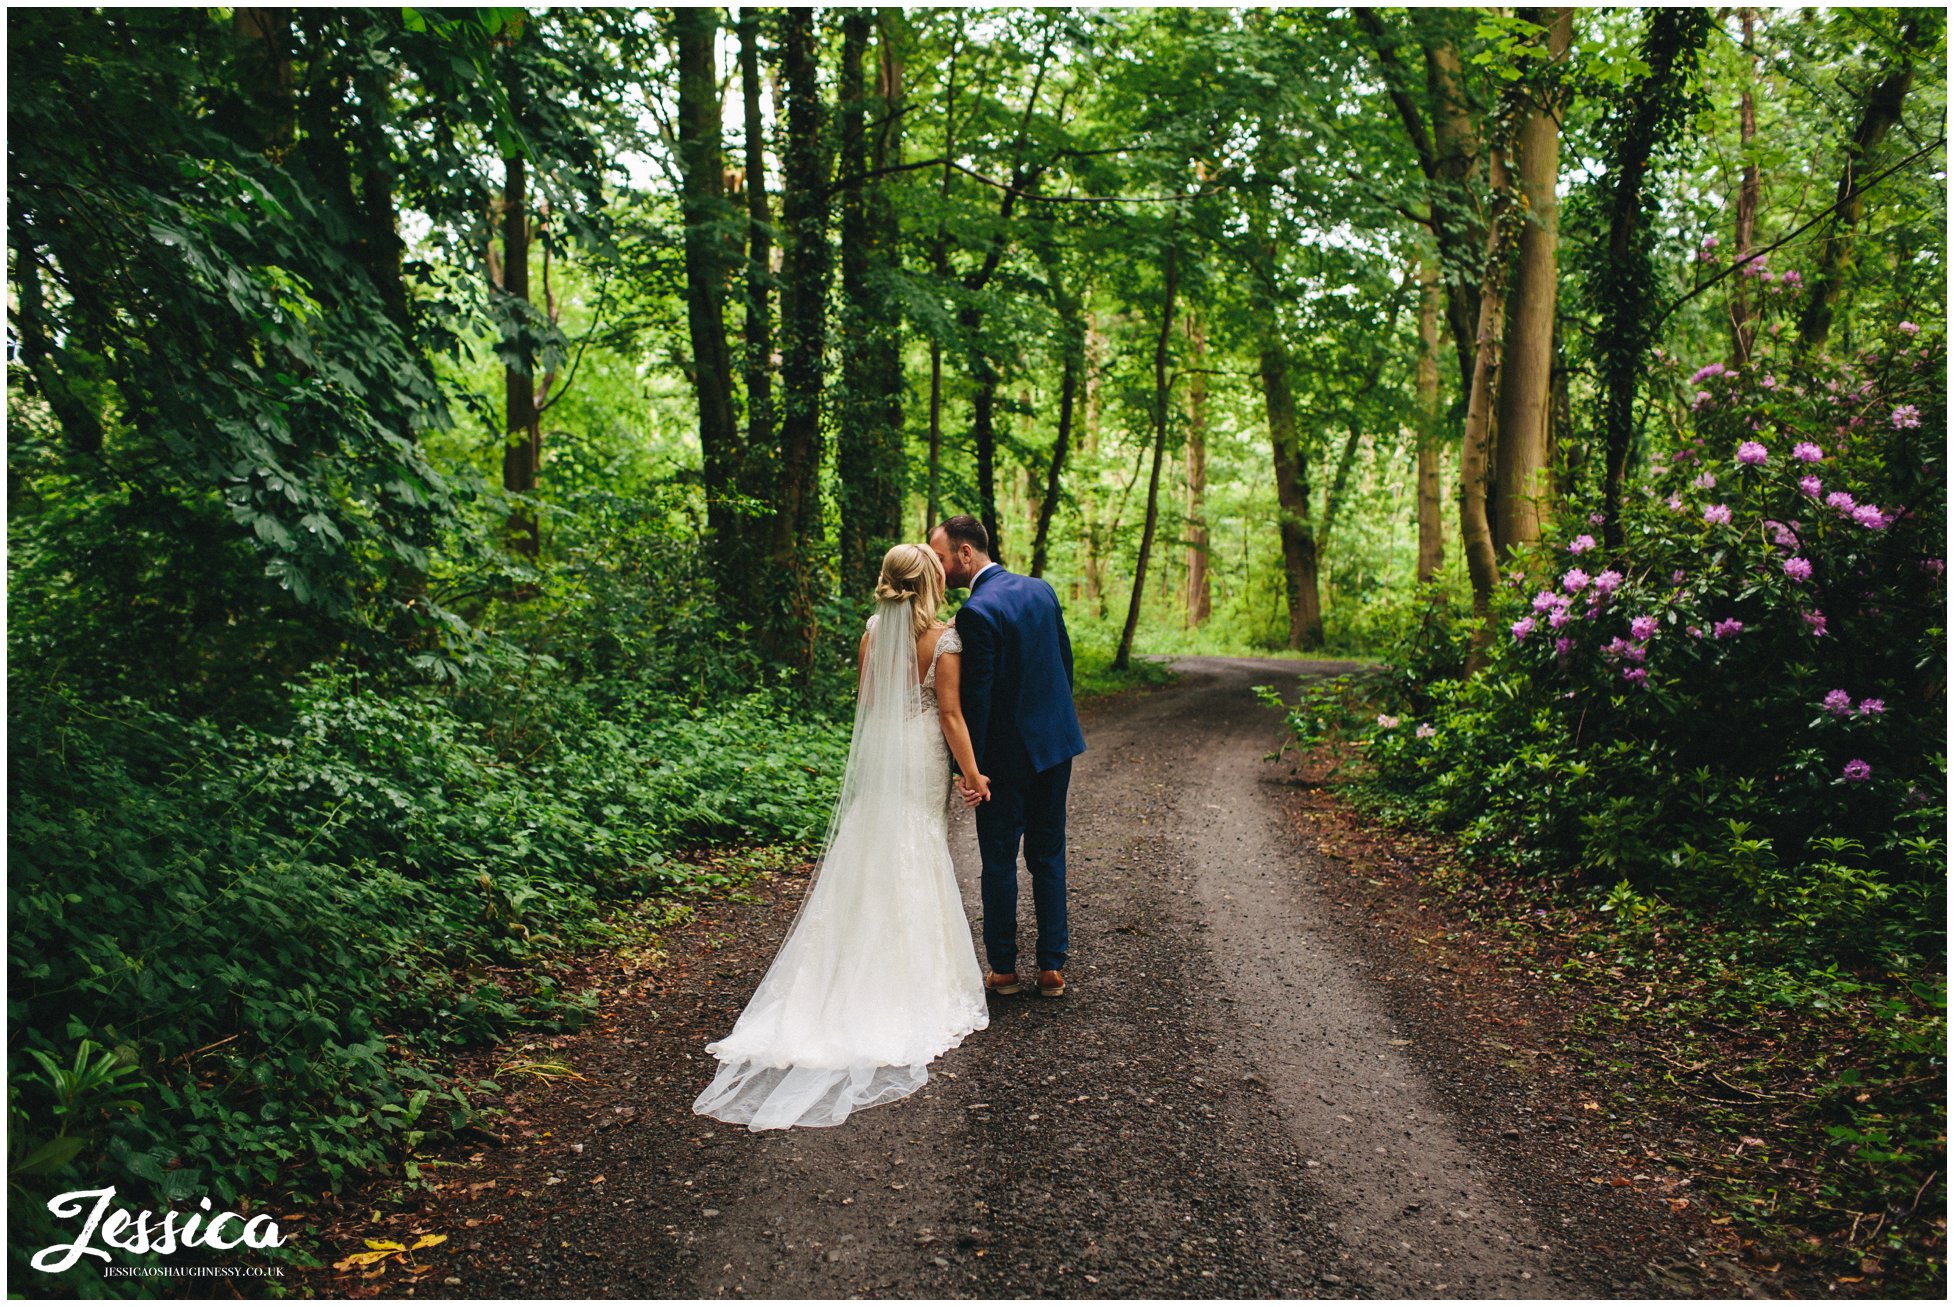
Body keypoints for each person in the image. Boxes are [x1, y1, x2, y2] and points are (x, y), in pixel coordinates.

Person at [692, 544, 990, 1131]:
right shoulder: (945, 641)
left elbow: (869, 703)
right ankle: (907, 979)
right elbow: (951, 716)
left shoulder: (874, 631)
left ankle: (845, 965)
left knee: (871, 846)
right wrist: (974, 775)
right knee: (917, 846)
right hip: (921, 750)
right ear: (930, 583)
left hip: (883, 750)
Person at [928, 515, 1086, 999]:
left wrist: (969, 770)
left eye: (940, 557)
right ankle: (1052, 967)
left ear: (966, 554)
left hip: (1004, 760)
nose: (937, 567)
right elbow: (1064, 664)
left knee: (998, 860)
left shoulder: (977, 612)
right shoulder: (1041, 590)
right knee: (1048, 853)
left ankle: (1003, 969)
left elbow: (977, 700)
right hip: (1056, 746)